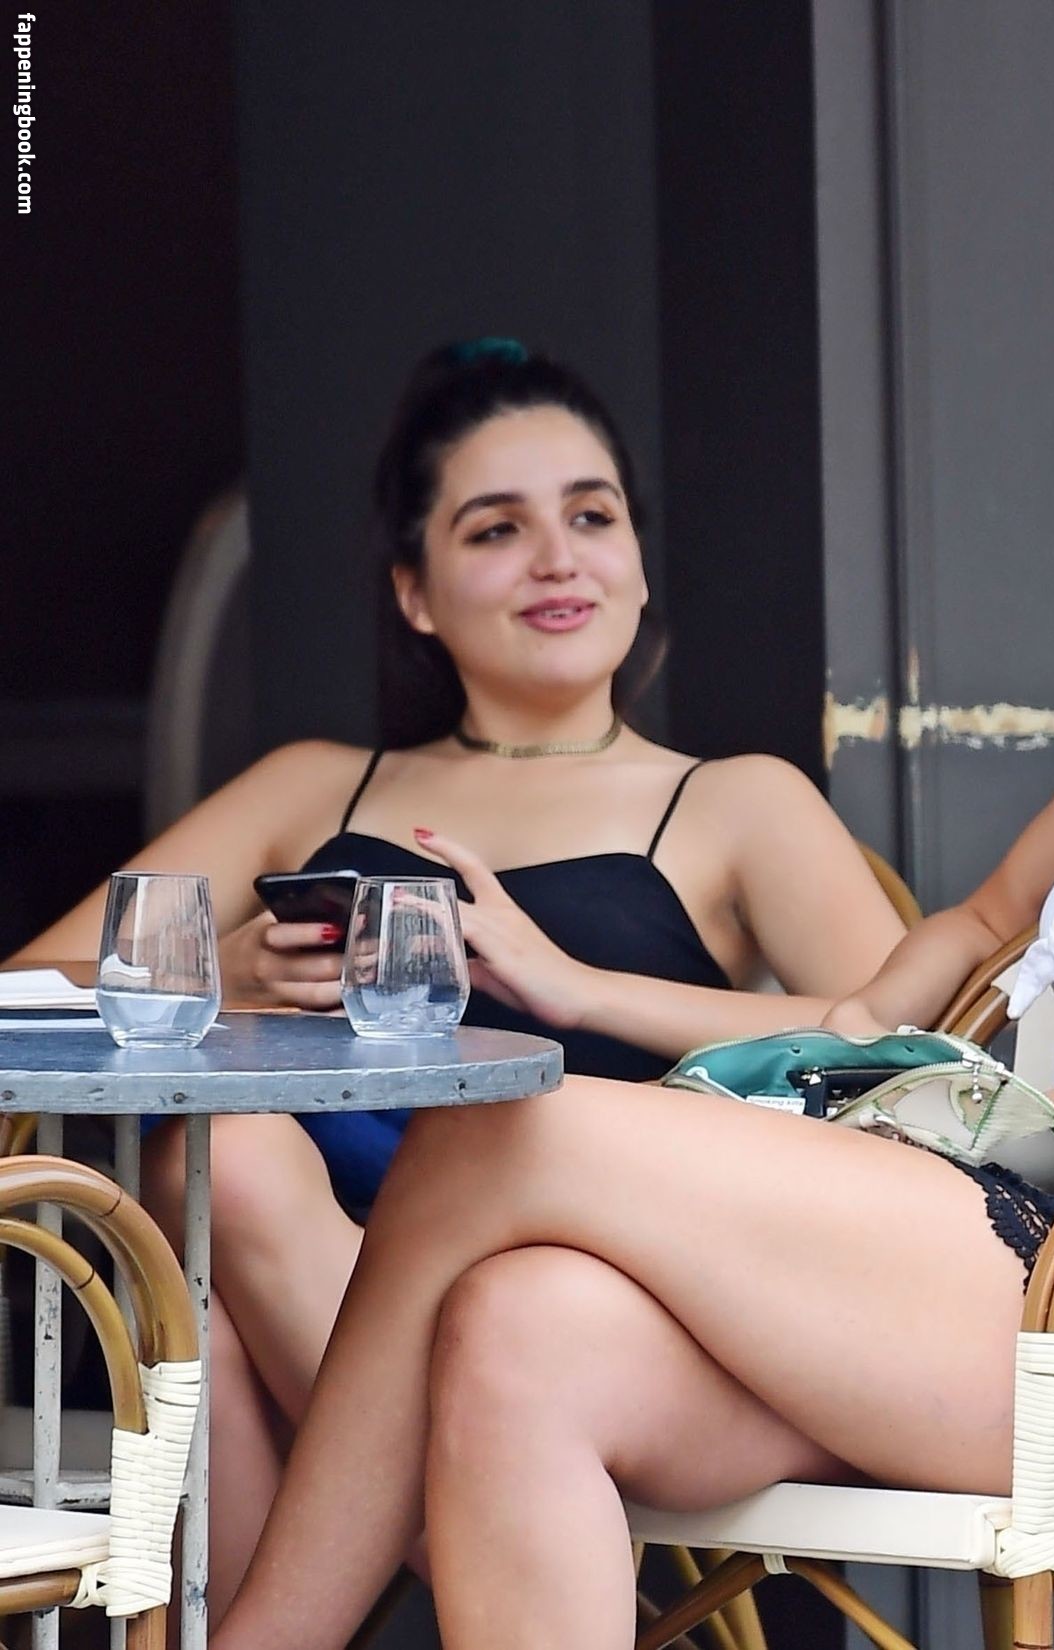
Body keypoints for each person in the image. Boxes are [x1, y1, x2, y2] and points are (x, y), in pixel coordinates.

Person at [211, 202, 1054, 1650]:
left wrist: (882, 1132)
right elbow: (951, 946)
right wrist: (607, 991)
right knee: (521, 1326)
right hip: (1039, 1268)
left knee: (498, 1135)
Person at [8, 340, 907, 1622]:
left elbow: (910, 1051)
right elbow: (29, 982)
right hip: (313, 1237)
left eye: (591, 517)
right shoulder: (320, 784)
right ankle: (499, 1555)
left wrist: (578, 985)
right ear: (415, 594)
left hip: (587, 1270)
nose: (557, 558)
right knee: (225, 1177)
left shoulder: (735, 801)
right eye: (496, 529)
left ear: (639, 563)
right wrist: (227, 972)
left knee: (216, 1274)